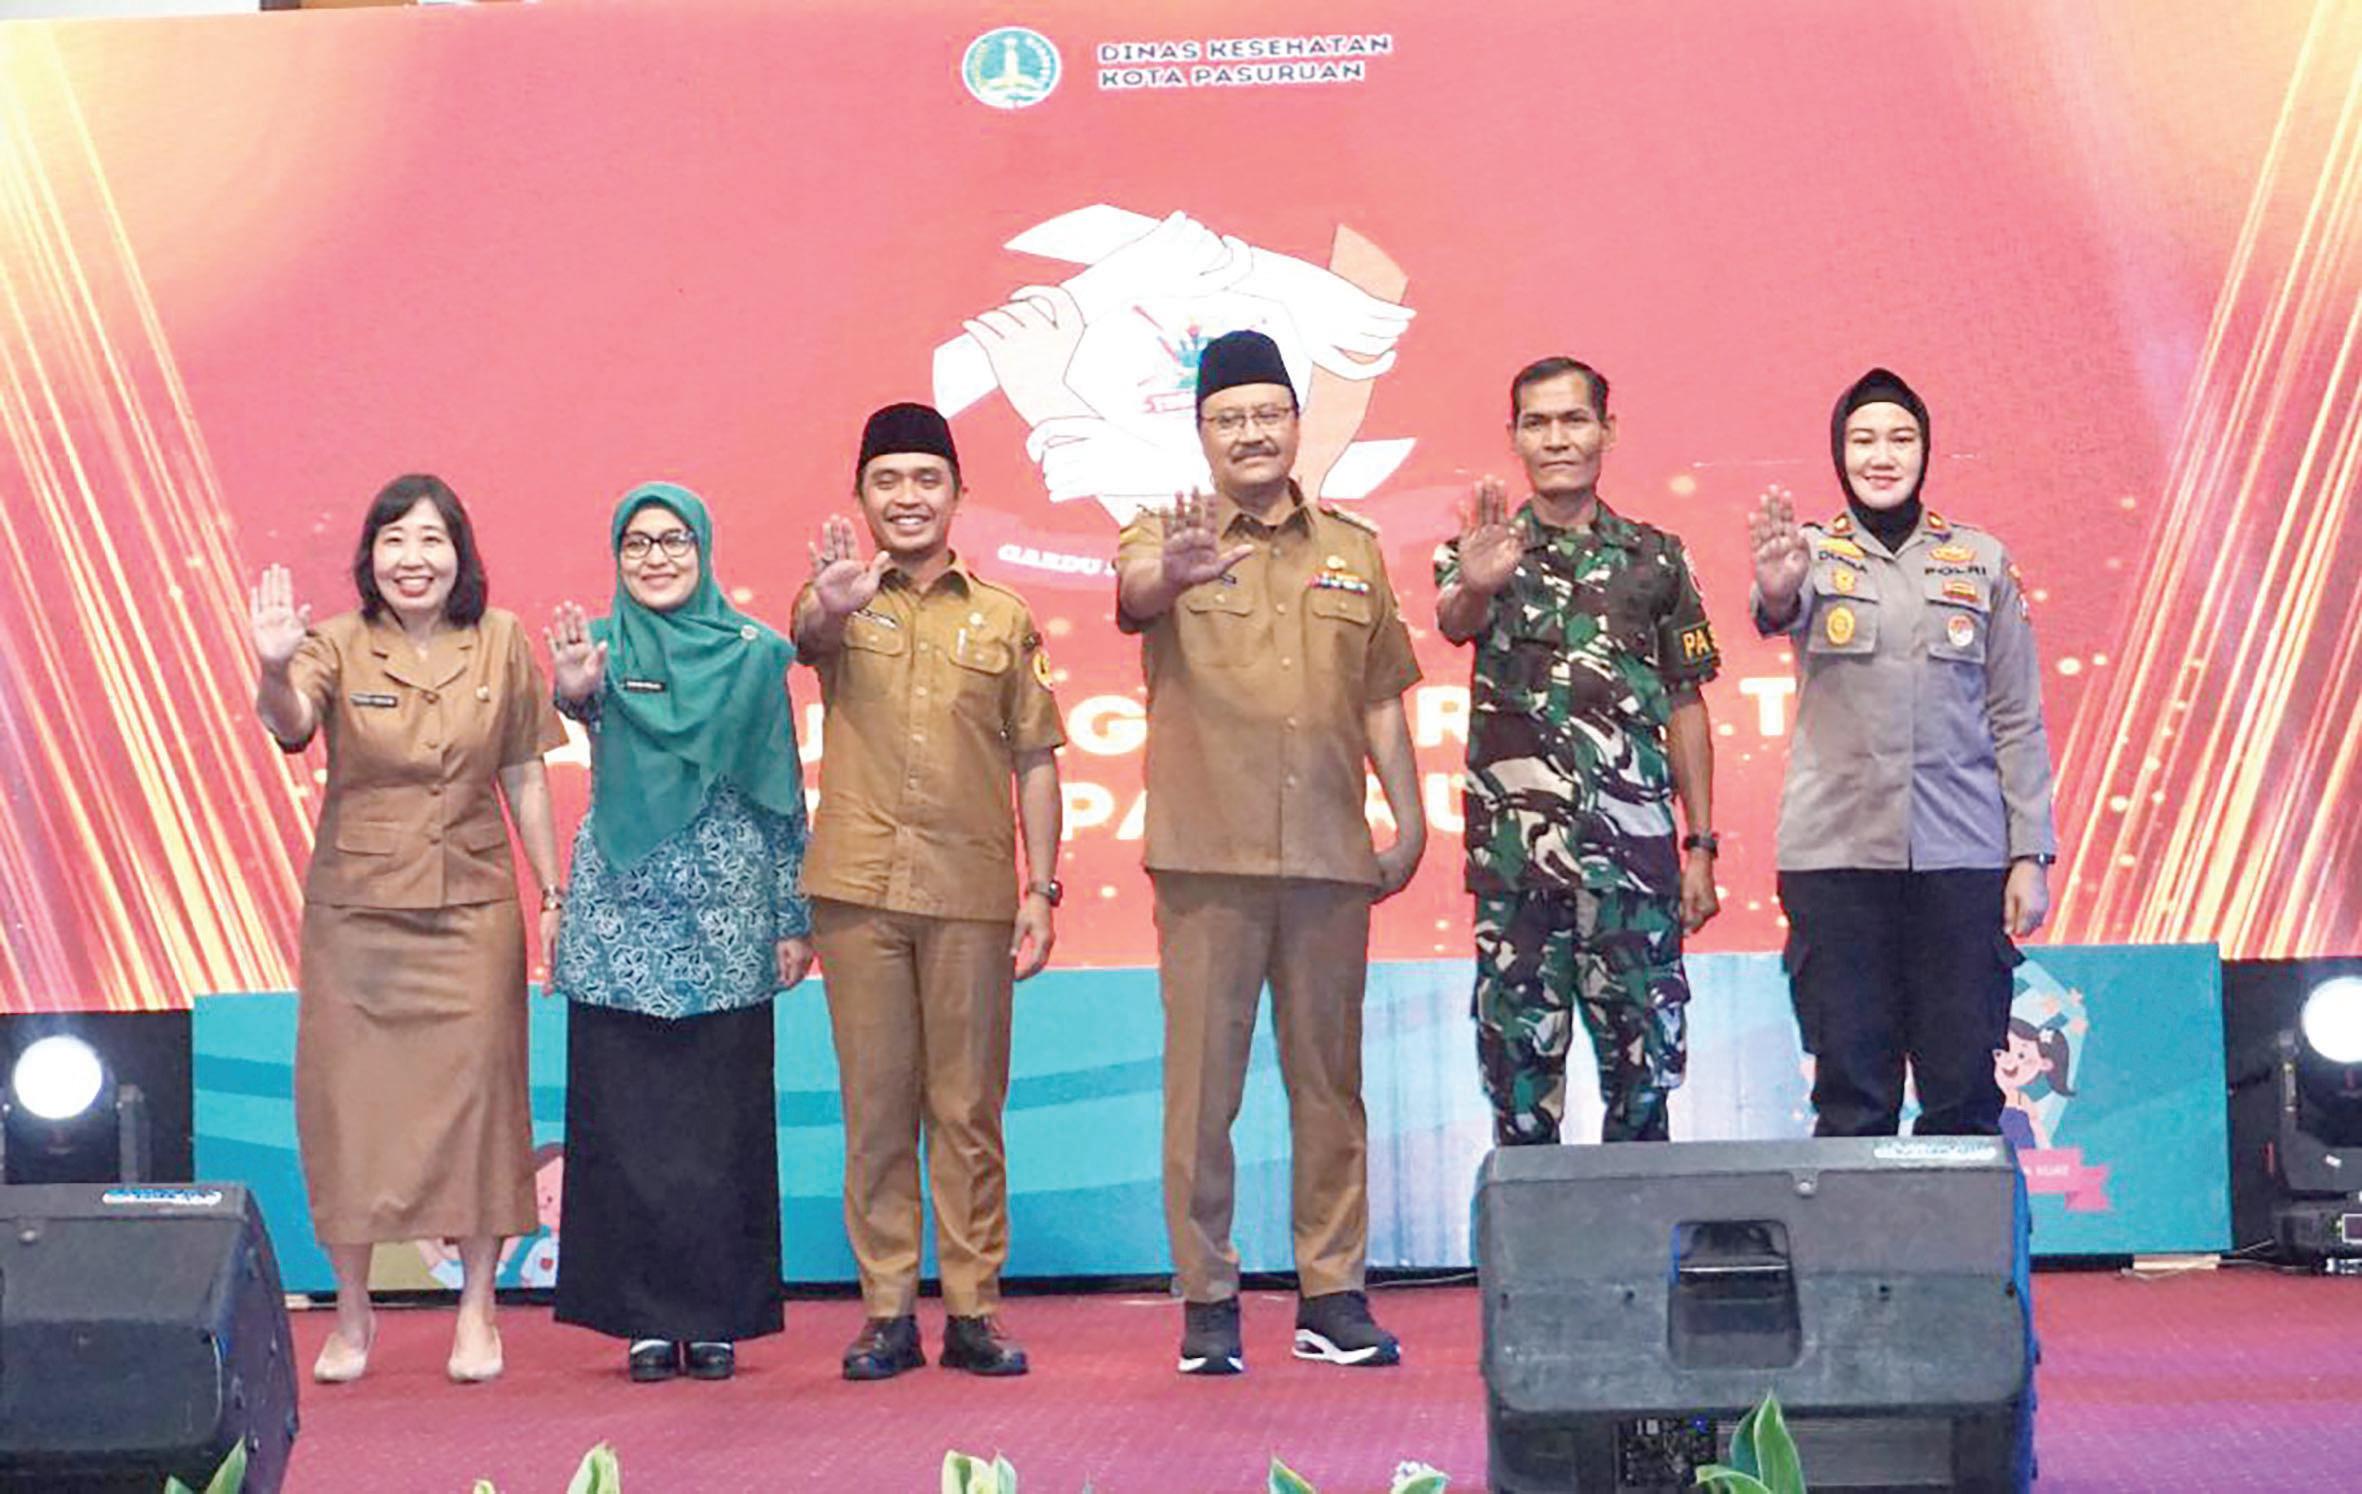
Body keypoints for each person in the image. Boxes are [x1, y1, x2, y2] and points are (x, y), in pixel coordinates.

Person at [1114, 329, 1426, 1376]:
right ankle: (1207, 1299)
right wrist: (1172, 574)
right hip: (1208, 859)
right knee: (1203, 1096)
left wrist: (1410, 818)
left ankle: (1331, 1294)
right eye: (1228, 418)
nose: (1250, 433)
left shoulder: (1354, 549)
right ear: (1201, 433)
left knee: (1330, 1090)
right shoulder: (1162, 533)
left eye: (1266, 414)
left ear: (1297, 424)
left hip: (1330, 857)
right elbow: (1136, 593)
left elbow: (1380, 696)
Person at [248, 472, 564, 1386]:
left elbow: (525, 771)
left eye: (431, 540)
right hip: (360, 916)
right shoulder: (333, 644)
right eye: (394, 541)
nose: (412, 559)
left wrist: (553, 891)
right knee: (350, 1111)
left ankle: (478, 1308)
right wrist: (272, 667)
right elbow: (291, 726)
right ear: (370, 556)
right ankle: (352, 1314)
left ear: (459, 553)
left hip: (474, 907)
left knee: (481, 1109)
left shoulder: (501, 639)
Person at [791, 402, 1066, 1381]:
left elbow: (1036, 757)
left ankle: (975, 1309)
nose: (907, 497)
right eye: (887, 481)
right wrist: (832, 604)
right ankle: (886, 1313)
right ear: (861, 497)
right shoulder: (839, 597)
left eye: (926, 479)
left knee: (967, 1110)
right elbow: (807, 634)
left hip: (970, 893)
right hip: (858, 891)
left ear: (957, 494)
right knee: (876, 1112)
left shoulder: (1004, 617)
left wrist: (1043, 888)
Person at [545, 482, 814, 1384]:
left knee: (720, 1131)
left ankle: (720, 1316)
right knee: (630, 1133)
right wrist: (574, 692)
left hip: (728, 917)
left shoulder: (755, 654)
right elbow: (577, 701)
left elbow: (782, 791)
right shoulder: (601, 651)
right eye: (637, 543)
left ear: (703, 550)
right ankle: (645, 1323)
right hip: (618, 919)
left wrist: (793, 916)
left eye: (673, 541)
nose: (655, 557)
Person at [1749, 368, 2057, 1137]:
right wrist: (1780, 589)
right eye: (1863, 440)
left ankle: (1962, 1222)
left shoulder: (1980, 560)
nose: (1881, 457)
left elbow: (2016, 717)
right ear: (1839, 453)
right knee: (1852, 1094)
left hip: (1961, 858)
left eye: (1900, 439)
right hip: (1836, 859)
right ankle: (1855, 1224)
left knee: (1964, 1089)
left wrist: (2030, 856)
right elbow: (1776, 609)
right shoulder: (1809, 552)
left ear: (1926, 451)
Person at [1433, 356, 1722, 1147]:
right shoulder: (1479, 549)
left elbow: (1687, 704)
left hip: (1635, 874)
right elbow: (1454, 620)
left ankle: (1640, 1233)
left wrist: (1700, 845)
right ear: (1514, 438)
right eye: (1537, 423)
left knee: (1644, 1093)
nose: (1556, 439)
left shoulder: (1657, 559)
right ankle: (1532, 1237)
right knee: (1520, 1098)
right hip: (1519, 877)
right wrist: (1479, 581)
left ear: (1607, 431)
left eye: (1574, 420)